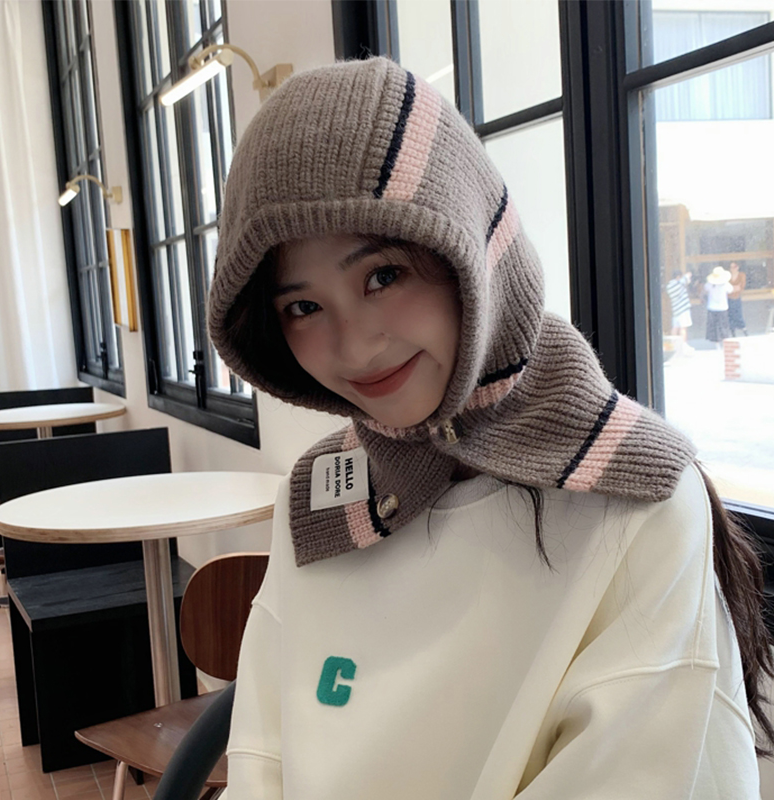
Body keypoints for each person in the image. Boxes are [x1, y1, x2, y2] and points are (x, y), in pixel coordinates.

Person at [208, 58, 771, 799]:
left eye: (383, 275)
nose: (355, 347)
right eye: (303, 307)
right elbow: (261, 754)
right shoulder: (320, 500)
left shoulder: (638, 501)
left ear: (473, 252)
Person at [664, 269, 694, 353]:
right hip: (683, 310)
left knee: (675, 327)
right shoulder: (679, 283)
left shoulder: (669, 286)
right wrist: (688, 275)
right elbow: (686, 278)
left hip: (675, 310)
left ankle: (672, 345)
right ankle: (683, 345)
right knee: (683, 328)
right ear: (678, 277)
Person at [704, 266, 734, 347]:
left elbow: (705, 289)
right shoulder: (725, 284)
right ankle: (724, 342)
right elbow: (731, 290)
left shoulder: (709, 284)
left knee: (714, 326)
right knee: (723, 326)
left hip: (712, 308)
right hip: (722, 308)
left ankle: (716, 343)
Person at [729, 261, 748, 336]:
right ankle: (733, 332)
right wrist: (734, 287)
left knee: (738, 314)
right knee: (730, 315)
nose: (732, 269)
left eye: (734, 267)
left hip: (737, 297)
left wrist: (732, 288)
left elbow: (741, 286)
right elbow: (726, 288)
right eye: (731, 267)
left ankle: (744, 330)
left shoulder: (741, 275)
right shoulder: (728, 276)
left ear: (737, 267)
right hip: (729, 298)